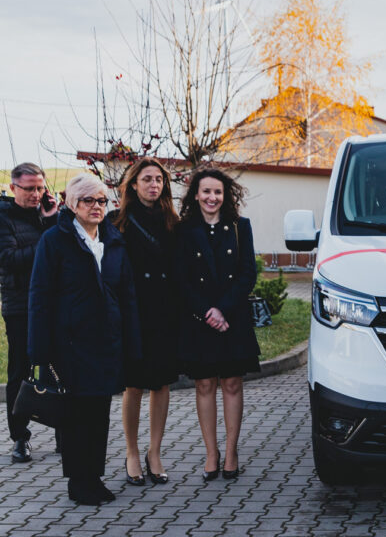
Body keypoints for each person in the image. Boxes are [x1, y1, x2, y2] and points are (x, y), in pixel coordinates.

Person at [28, 173, 139, 504]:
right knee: (77, 415)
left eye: (102, 200)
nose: (96, 206)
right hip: (71, 344)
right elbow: (40, 296)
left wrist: (132, 341)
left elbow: (127, 294)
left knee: (98, 412)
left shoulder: (114, 239)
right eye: (88, 200)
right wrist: (38, 353)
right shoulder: (54, 240)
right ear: (71, 204)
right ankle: (78, 482)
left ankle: (94, 476)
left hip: (106, 341)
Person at [176, 168, 259, 481]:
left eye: (218, 192)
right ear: (196, 194)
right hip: (199, 320)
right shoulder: (183, 231)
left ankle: (232, 451)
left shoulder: (240, 227)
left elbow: (247, 274)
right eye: (206, 191)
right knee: (205, 384)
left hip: (232, 318)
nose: (212, 198)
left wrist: (222, 310)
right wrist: (206, 311)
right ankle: (211, 453)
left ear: (226, 196)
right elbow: (181, 279)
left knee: (232, 383)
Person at [109, 158, 180, 486]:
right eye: (147, 179)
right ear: (133, 184)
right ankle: (132, 452)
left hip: (165, 312)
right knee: (133, 384)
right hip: (133, 312)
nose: (154, 185)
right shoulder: (118, 221)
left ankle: (155, 452)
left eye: (159, 180)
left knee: (161, 383)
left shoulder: (172, 222)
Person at [0, 163, 59, 463]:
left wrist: (53, 220)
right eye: (29, 188)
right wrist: (48, 236)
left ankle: (65, 429)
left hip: (54, 303)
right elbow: (9, 259)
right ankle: (19, 438)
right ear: (13, 188)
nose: (36, 194)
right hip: (20, 305)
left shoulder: (48, 214)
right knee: (20, 371)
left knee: (61, 366)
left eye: (40, 187)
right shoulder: (3, 217)